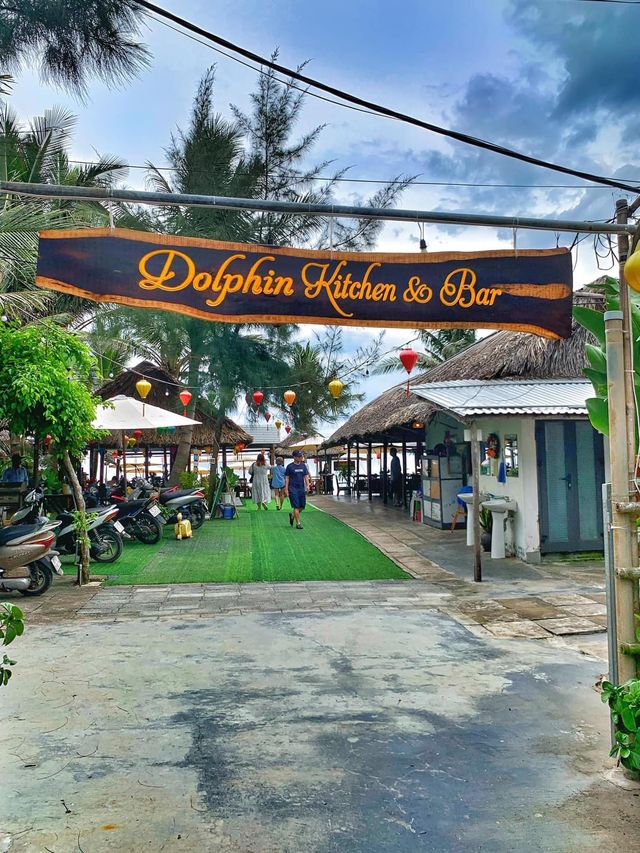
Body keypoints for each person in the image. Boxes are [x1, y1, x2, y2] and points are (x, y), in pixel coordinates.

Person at [284, 449, 310, 529]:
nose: (301, 457)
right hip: (292, 489)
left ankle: (292, 515)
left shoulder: (303, 465)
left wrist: (308, 485)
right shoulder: (289, 467)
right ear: (294, 457)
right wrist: (286, 489)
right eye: (299, 456)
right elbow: (287, 478)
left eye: (301, 456)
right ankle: (298, 523)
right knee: (296, 506)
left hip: (301, 489)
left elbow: (305, 476)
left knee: (301, 507)